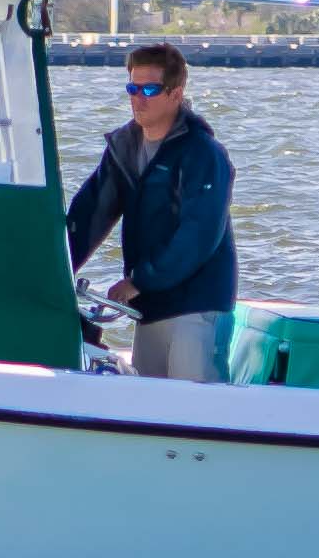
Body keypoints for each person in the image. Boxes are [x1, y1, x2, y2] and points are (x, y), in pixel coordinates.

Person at [66, 40, 237, 381]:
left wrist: (139, 280)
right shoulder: (124, 148)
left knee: (195, 411)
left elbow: (198, 235)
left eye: (149, 89)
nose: (137, 98)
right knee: (149, 404)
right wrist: (54, 267)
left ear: (176, 93)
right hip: (148, 306)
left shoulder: (203, 154)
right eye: (132, 87)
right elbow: (89, 214)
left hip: (196, 305)